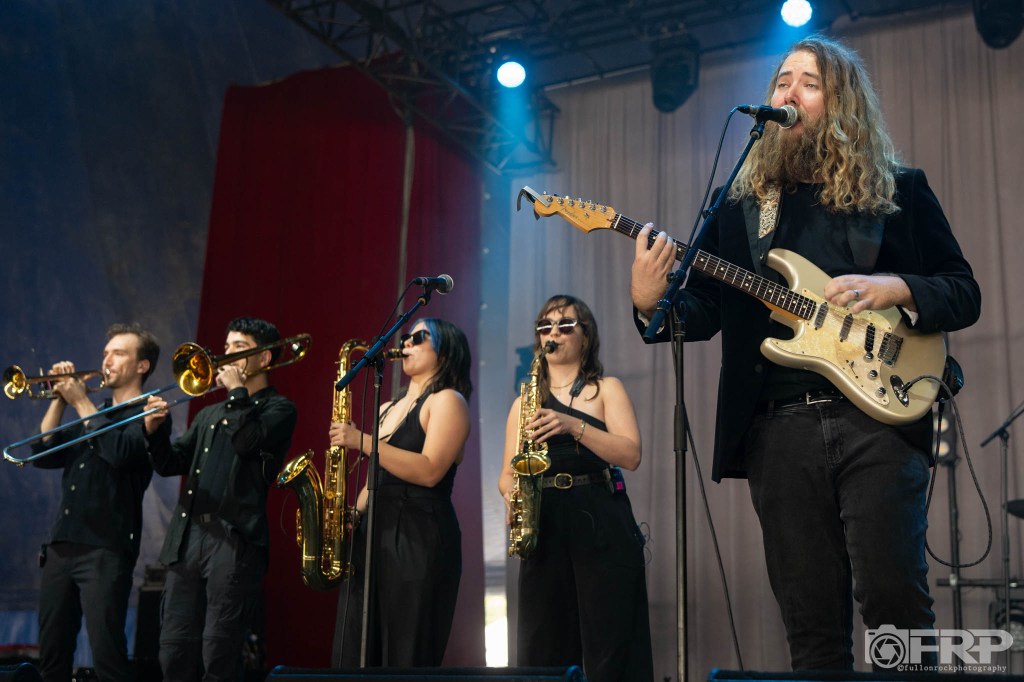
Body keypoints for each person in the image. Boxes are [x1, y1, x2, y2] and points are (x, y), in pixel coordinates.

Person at [631, 36, 981, 670]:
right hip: (778, 430)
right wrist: (649, 302)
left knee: (895, 603)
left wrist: (896, 287)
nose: (788, 92)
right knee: (811, 624)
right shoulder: (742, 205)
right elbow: (702, 313)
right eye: (781, 81)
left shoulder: (898, 189)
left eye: (809, 83)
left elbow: (963, 291)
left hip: (879, 419)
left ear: (841, 102)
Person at [498, 295, 653, 682]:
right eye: (545, 326)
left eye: (565, 325)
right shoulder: (523, 402)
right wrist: (513, 497)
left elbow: (631, 454)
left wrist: (573, 426)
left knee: (611, 642)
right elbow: (506, 473)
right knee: (542, 645)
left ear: (586, 336)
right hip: (544, 519)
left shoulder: (606, 389)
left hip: (599, 515)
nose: (553, 332)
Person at [144, 317, 297, 682]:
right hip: (188, 536)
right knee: (173, 648)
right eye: (226, 346)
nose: (225, 355)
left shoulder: (279, 409)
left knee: (219, 649)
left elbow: (247, 443)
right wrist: (155, 430)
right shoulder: (210, 413)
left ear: (264, 358)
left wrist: (237, 394)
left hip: (234, 538)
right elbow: (170, 464)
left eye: (239, 347)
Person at [330, 318, 471, 667]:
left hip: (417, 534)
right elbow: (374, 479)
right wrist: (351, 517)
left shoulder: (447, 400)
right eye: (406, 337)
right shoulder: (386, 409)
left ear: (445, 351)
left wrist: (361, 441)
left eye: (419, 337)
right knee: (357, 648)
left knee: (405, 651)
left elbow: (430, 471)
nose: (406, 343)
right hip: (374, 534)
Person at [31, 322, 164, 682]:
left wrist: (79, 401)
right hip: (61, 545)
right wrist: (60, 400)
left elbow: (120, 453)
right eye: (106, 353)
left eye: (118, 353)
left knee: (108, 658)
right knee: (52, 656)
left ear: (142, 365)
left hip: (105, 548)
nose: (106, 361)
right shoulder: (90, 411)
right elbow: (44, 451)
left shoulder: (148, 413)